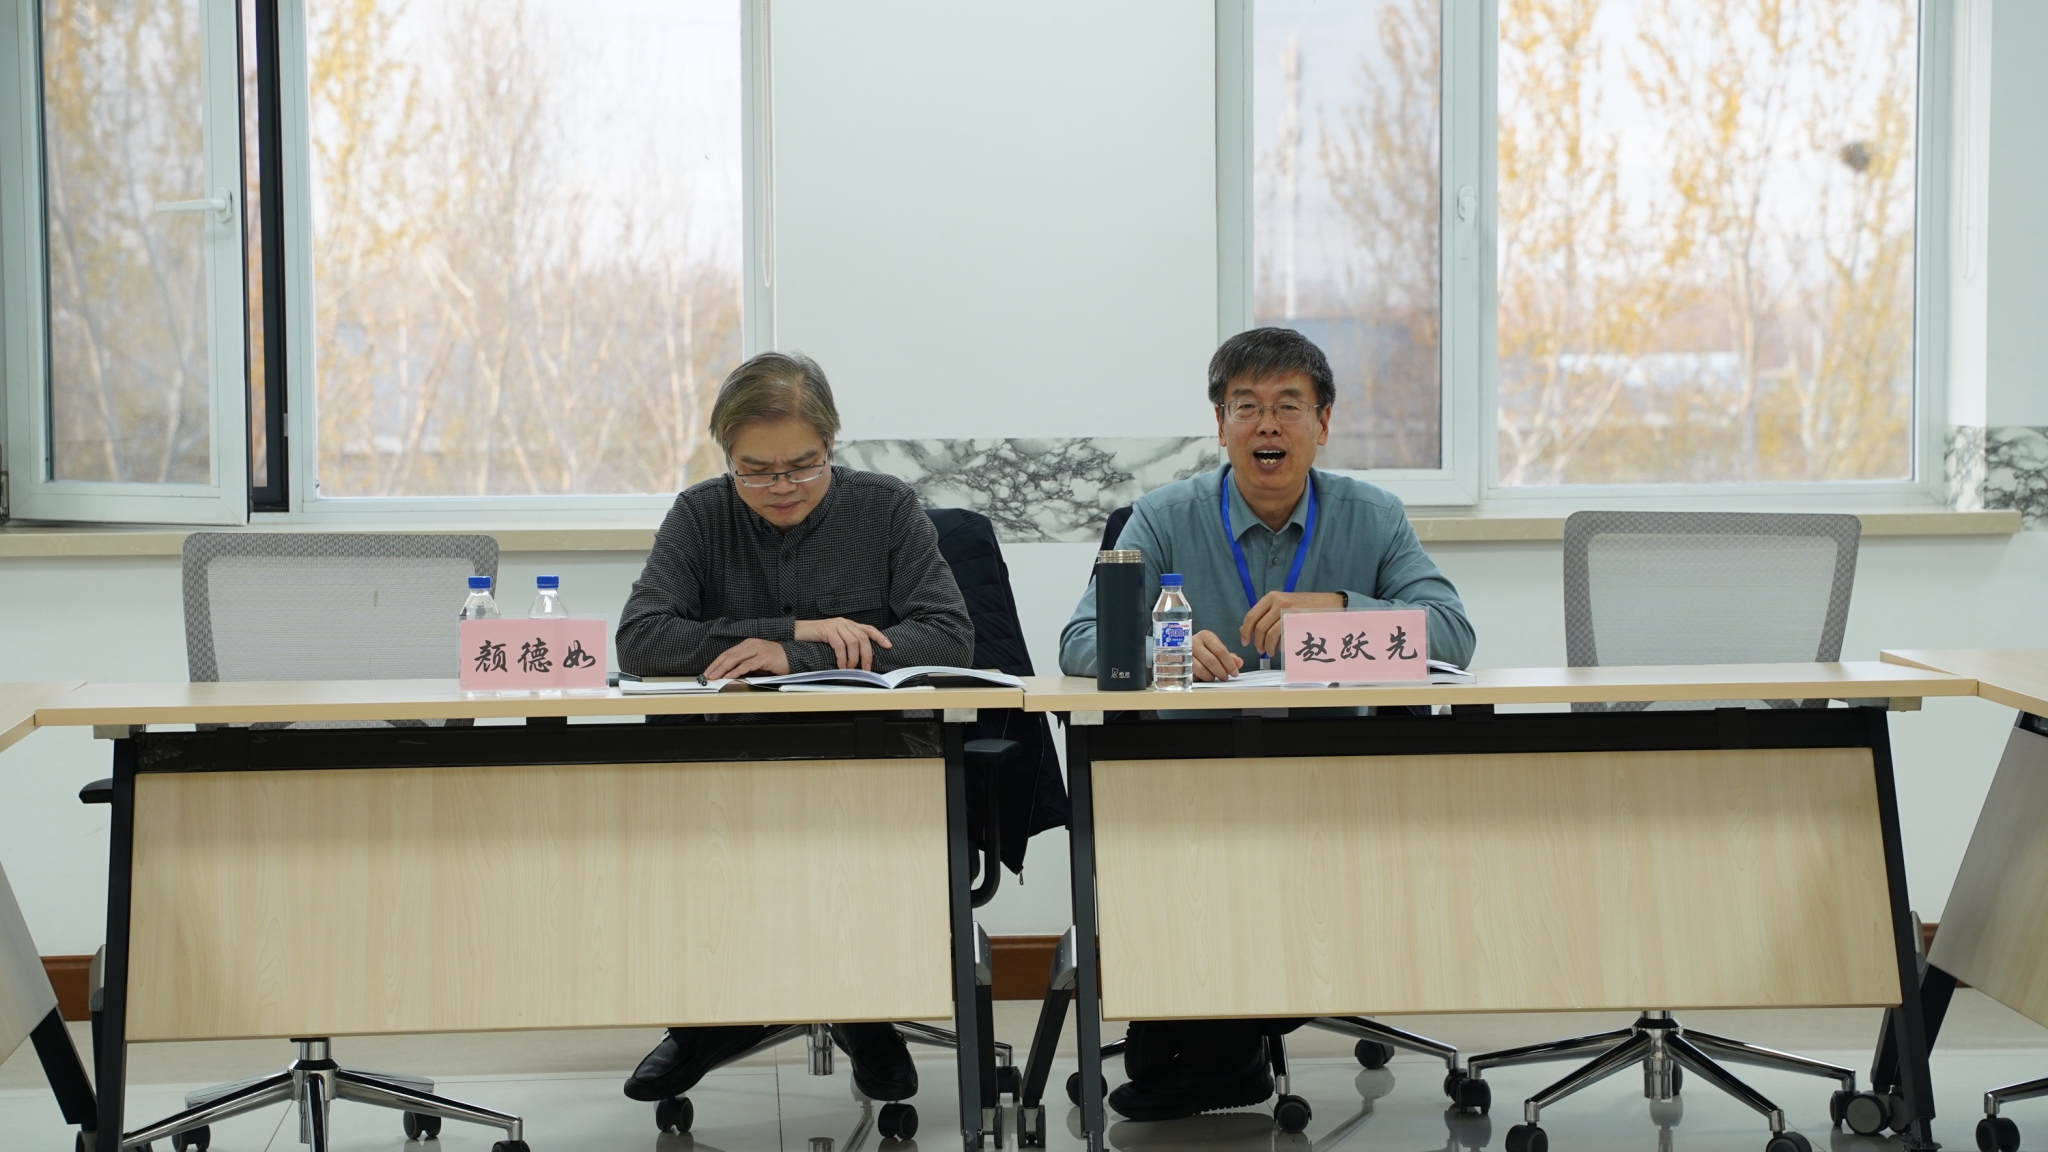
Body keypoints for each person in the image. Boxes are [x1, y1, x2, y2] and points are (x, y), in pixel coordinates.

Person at [1057, 326, 1477, 1123]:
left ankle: (1225, 1040)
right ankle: (1219, 1034)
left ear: (1324, 422)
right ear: (1220, 425)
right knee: (1205, 851)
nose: (1267, 426)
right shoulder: (1162, 517)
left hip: (1337, 777)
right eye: (1245, 407)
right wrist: (1162, 650)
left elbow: (1452, 636)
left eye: (1289, 406)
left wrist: (1339, 611)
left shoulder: (1372, 516)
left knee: (1270, 866)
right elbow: (1080, 641)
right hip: (1194, 780)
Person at [615, 350, 975, 1109]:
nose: (781, 487)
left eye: (803, 466)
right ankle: (711, 1019)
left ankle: (865, 1010)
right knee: (697, 830)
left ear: (831, 444)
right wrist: (792, 629)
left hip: (869, 759)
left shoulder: (886, 508)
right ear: (727, 458)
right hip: (731, 763)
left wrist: (798, 656)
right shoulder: (701, 514)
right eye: (756, 471)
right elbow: (642, 640)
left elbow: (948, 636)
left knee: (850, 833)